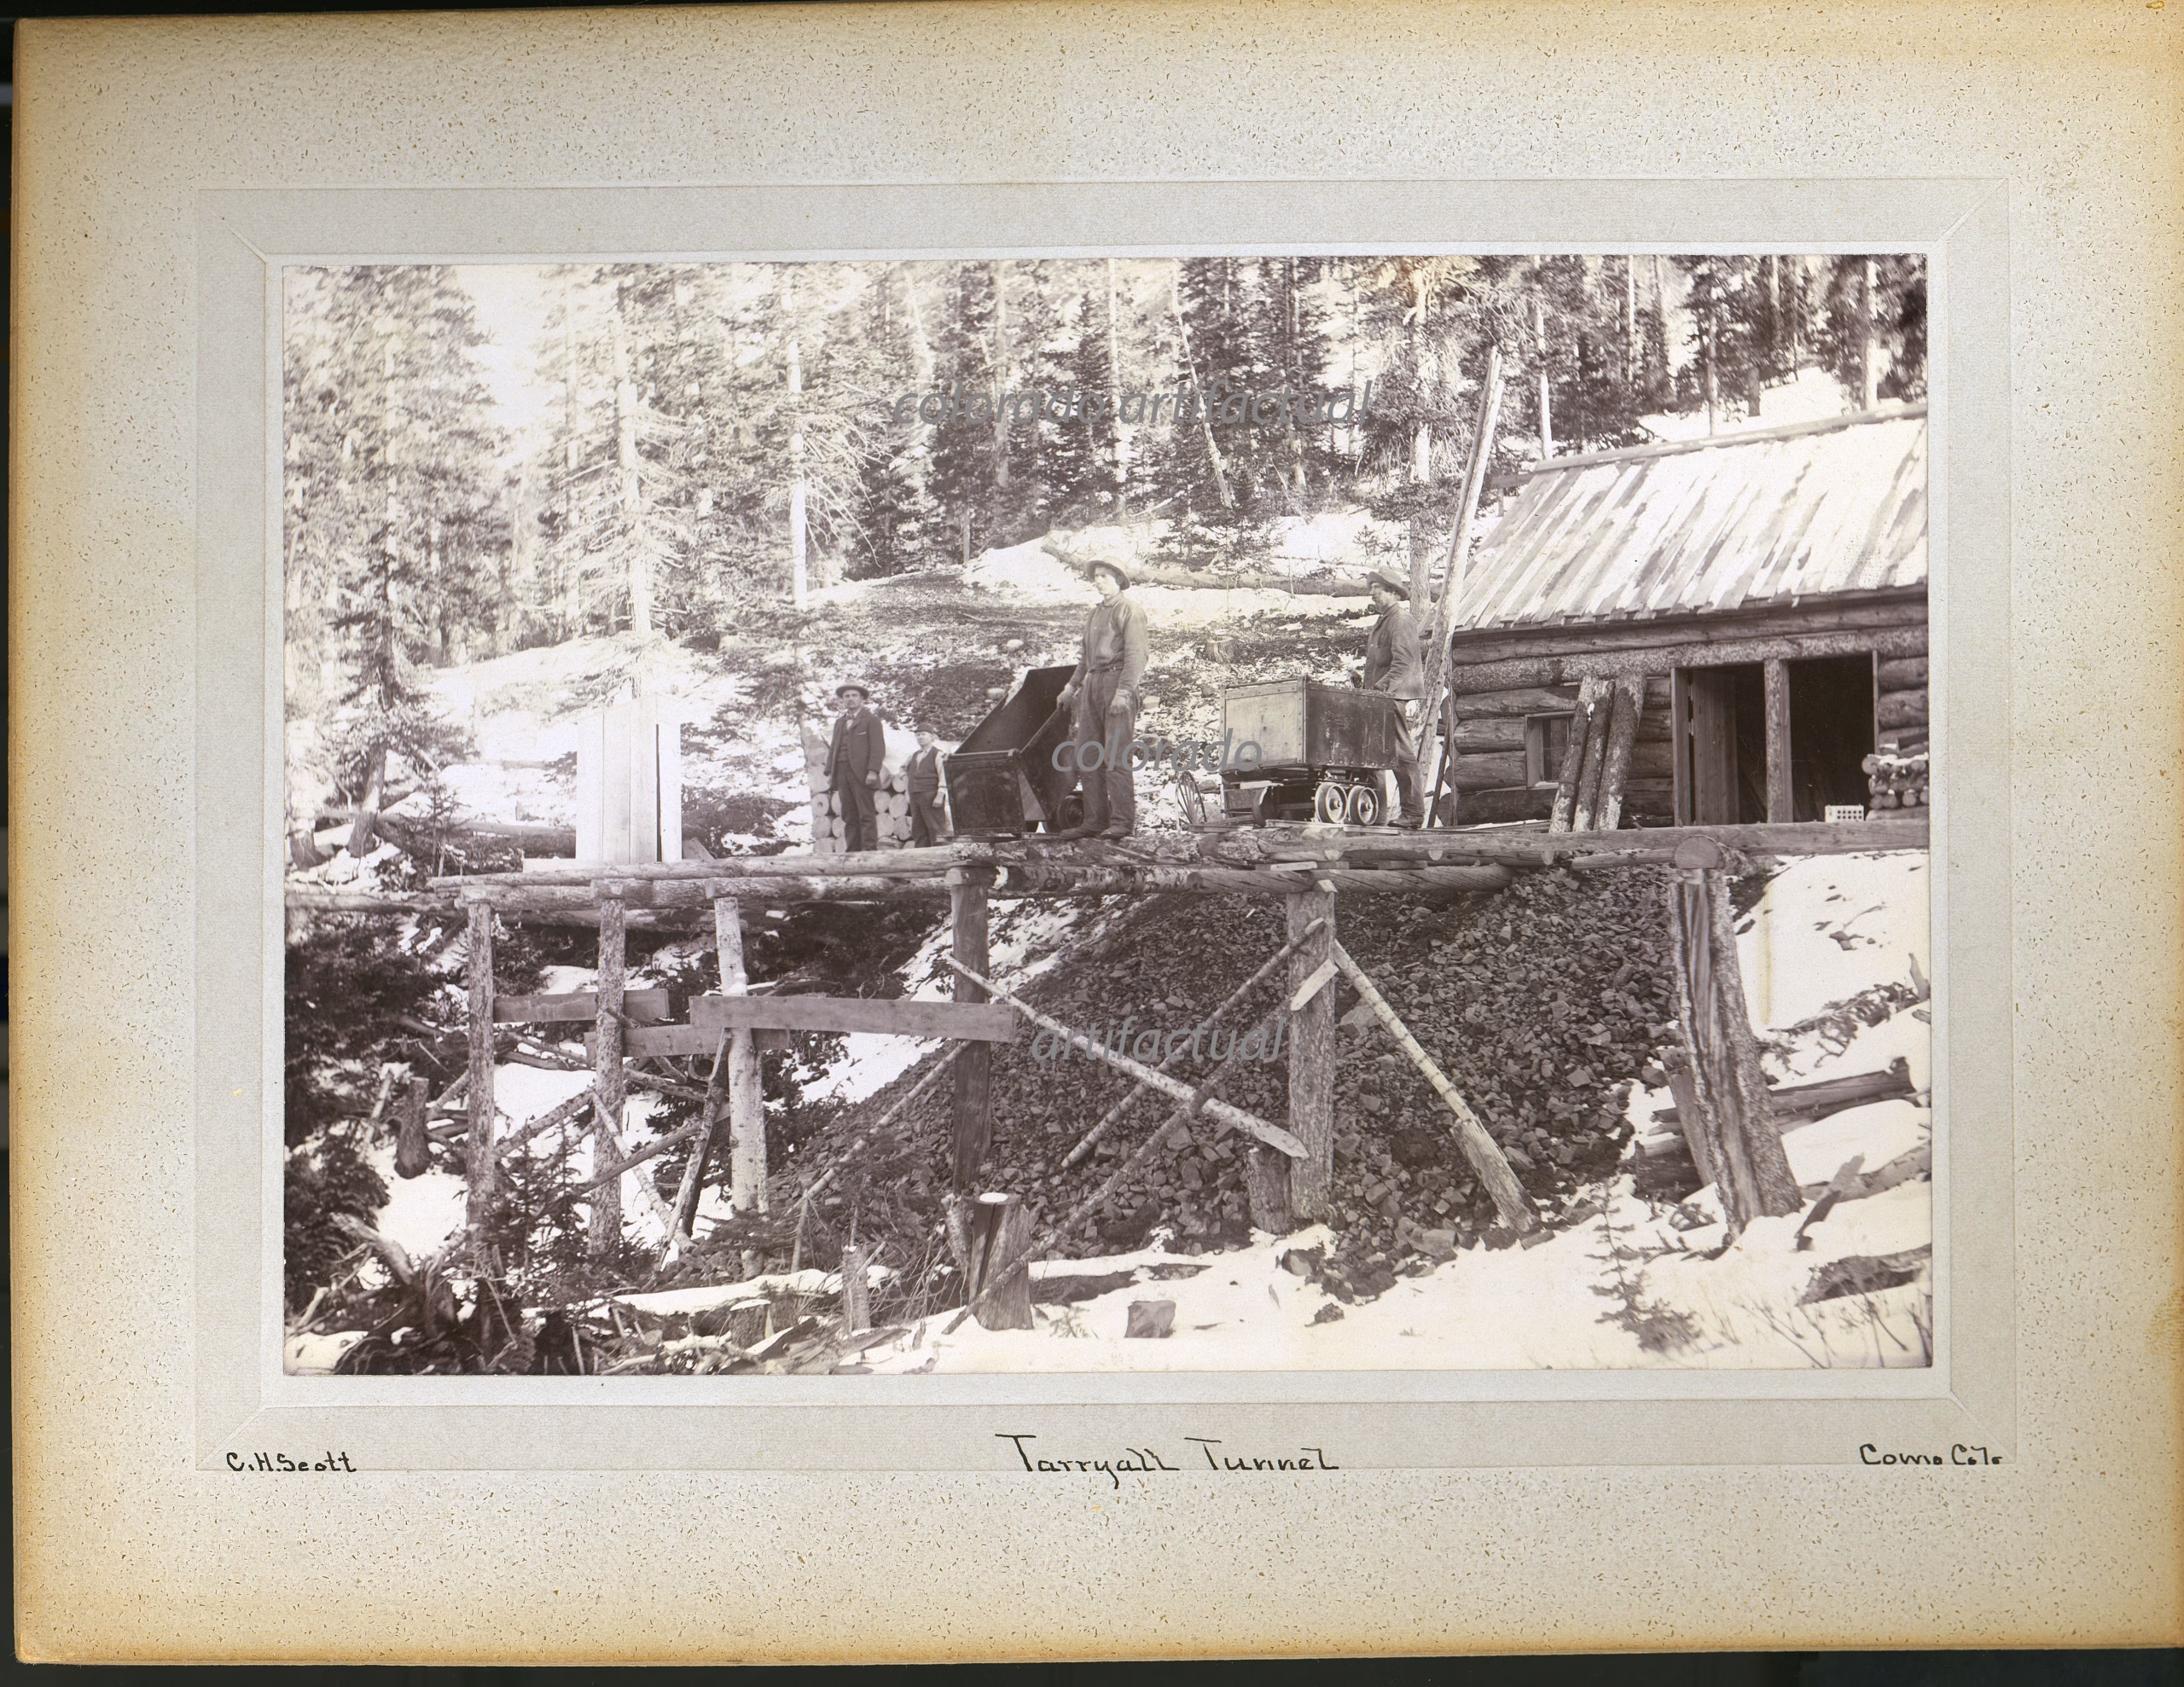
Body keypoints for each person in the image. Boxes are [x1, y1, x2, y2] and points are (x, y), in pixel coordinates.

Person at [1055, 557, 1149, 839]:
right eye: (1096, 576)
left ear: (1119, 581)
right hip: (1093, 684)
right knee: (1088, 755)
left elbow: (1137, 654)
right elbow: (1086, 657)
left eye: (1104, 576)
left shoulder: (1130, 610)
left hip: (1116, 682)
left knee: (1116, 757)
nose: (1098, 581)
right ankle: (1096, 820)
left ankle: (1122, 822)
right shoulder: (1095, 614)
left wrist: (1124, 691)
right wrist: (1071, 687)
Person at [1362, 565, 1427, 826]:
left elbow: (1404, 663)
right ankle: (1375, 818)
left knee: (1400, 753)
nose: (1372, 595)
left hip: (1391, 697)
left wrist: (1381, 688)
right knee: (1372, 755)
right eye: (1371, 590)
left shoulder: (1400, 620)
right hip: (1378, 698)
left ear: (1392, 592)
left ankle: (1413, 814)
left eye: (1376, 590)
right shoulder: (1384, 621)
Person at [824, 681, 884, 851]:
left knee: (866, 813)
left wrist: (873, 771)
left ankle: (869, 851)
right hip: (842, 772)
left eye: (854, 696)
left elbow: (878, 747)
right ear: (842, 700)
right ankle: (852, 852)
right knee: (849, 814)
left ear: (862, 699)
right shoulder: (840, 722)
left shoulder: (871, 720)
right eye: (846, 696)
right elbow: (834, 747)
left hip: (862, 773)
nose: (850, 699)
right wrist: (830, 772)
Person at [906, 726, 949, 846]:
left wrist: (940, 794)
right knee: (918, 829)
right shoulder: (914, 756)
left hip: (931, 796)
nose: (920, 737)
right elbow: (903, 770)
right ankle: (922, 857)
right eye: (918, 735)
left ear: (931, 737)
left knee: (936, 828)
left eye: (923, 734)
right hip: (916, 796)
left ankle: (940, 856)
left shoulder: (938, 754)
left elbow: (943, 775)